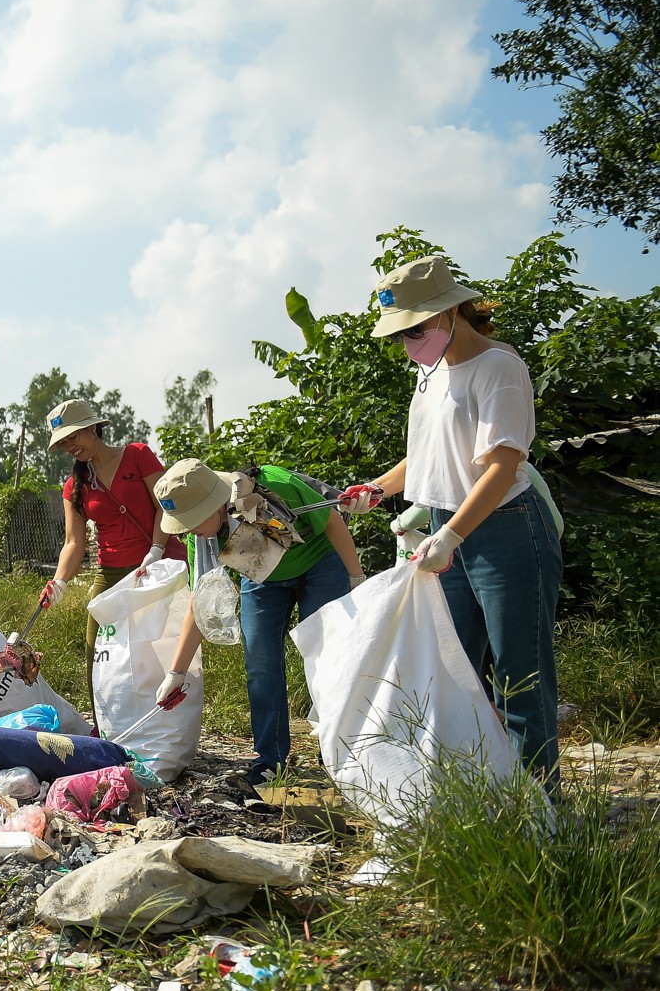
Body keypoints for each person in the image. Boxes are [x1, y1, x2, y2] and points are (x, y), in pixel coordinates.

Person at [336, 255, 563, 783]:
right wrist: (377, 488)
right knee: (454, 676)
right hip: (447, 534)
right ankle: (478, 796)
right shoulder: (430, 373)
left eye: (414, 329)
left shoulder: (499, 368)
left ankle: (542, 812)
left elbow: (504, 465)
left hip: (504, 530)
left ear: (448, 312)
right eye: (400, 334)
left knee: (519, 679)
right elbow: (430, 453)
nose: (408, 342)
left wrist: (453, 533)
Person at [152, 458, 365, 790]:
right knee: (260, 663)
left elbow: (332, 521)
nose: (186, 531)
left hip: (320, 561)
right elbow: (201, 600)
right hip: (262, 576)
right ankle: (270, 761)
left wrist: (356, 578)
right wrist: (176, 672)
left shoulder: (273, 485)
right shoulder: (201, 537)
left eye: (190, 521)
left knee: (326, 657)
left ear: (215, 504)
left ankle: (338, 752)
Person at [40, 397, 184, 709]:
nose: (69, 447)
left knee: (157, 651)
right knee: (99, 653)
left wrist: (156, 549)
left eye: (73, 437)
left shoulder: (137, 455)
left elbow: (165, 506)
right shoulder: (74, 486)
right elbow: (73, 543)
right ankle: (104, 728)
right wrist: (58, 583)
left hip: (156, 566)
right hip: (111, 574)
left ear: (93, 427)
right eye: (63, 443)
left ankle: (164, 725)